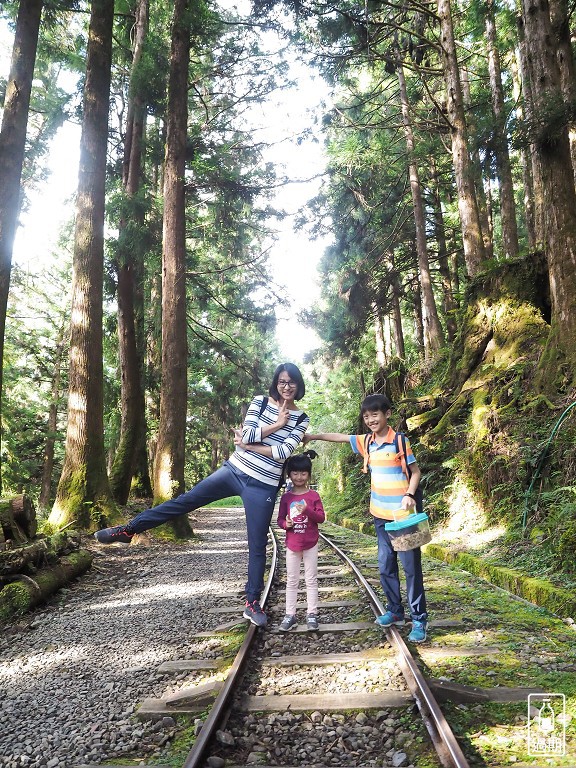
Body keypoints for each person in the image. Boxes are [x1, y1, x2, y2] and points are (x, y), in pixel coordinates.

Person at [94, 363, 309, 628]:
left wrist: (249, 444)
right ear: (275, 383)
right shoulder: (260, 402)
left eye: (291, 383)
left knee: (257, 545)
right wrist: (276, 424)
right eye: (282, 382)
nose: (286, 387)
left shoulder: (302, 419)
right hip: (233, 471)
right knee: (185, 501)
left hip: (263, 485)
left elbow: (282, 453)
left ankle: (252, 602)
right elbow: (250, 432)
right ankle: (128, 531)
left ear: (299, 385)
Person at [303, 393, 428, 643]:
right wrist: (313, 436)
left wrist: (409, 494)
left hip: (402, 517)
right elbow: (339, 438)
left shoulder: (400, 442)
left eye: (375, 414)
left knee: (411, 569)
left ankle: (419, 620)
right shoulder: (367, 442)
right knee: (385, 566)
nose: (371, 419)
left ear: (387, 414)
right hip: (380, 515)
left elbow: (415, 472)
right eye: (366, 416)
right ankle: (395, 611)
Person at [276, 451, 325, 632]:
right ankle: (290, 615)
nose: (299, 477)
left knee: (311, 579)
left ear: (309, 475)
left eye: (303, 473)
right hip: (292, 544)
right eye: (295, 473)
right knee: (292, 580)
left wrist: (306, 511)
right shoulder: (286, 497)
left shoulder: (314, 496)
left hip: (311, 543)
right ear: (289, 475)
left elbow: (320, 518)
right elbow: (280, 520)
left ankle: (312, 614)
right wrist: (285, 524)